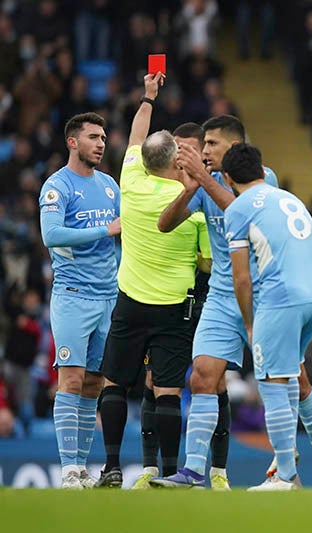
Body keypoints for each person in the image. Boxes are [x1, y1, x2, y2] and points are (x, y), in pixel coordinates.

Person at [152, 115, 312, 490]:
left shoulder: (262, 178)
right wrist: (190, 189)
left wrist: (204, 181)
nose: (204, 151)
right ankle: (193, 470)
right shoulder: (203, 184)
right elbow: (165, 224)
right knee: (203, 374)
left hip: (265, 293)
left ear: (235, 147)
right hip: (224, 295)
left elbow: (238, 208)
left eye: (212, 144)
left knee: (298, 383)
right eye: (202, 145)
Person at [95, 73, 211, 488]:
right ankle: (167, 473)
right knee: (166, 393)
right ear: (176, 162)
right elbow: (205, 263)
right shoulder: (194, 207)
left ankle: (110, 466)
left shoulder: (131, 181)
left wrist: (148, 97)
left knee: (113, 384)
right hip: (174, 308)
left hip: (130, 301)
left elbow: (136, 135)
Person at [131, 122, 216, 490]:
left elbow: (211, 262)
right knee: (156, 380)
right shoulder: (163, 192)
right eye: (176, 150)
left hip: (205, 296)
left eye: (188, 149)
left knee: (210, 380)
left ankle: (215, 470)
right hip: (167, 299)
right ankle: (153, 467)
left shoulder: (206, 194)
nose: (180, 156)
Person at [38, 112, 121, 489]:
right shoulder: (57, 186)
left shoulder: (108, 186)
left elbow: (123, 239)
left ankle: (83, 469)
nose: (101, 143)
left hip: (108, 296)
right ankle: (69, 469)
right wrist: (106, 228)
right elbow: (52, 235)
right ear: (72, 141)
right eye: (92, 137)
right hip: (73, 296)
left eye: (103, 137)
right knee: (70, 380)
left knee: (94, 384)